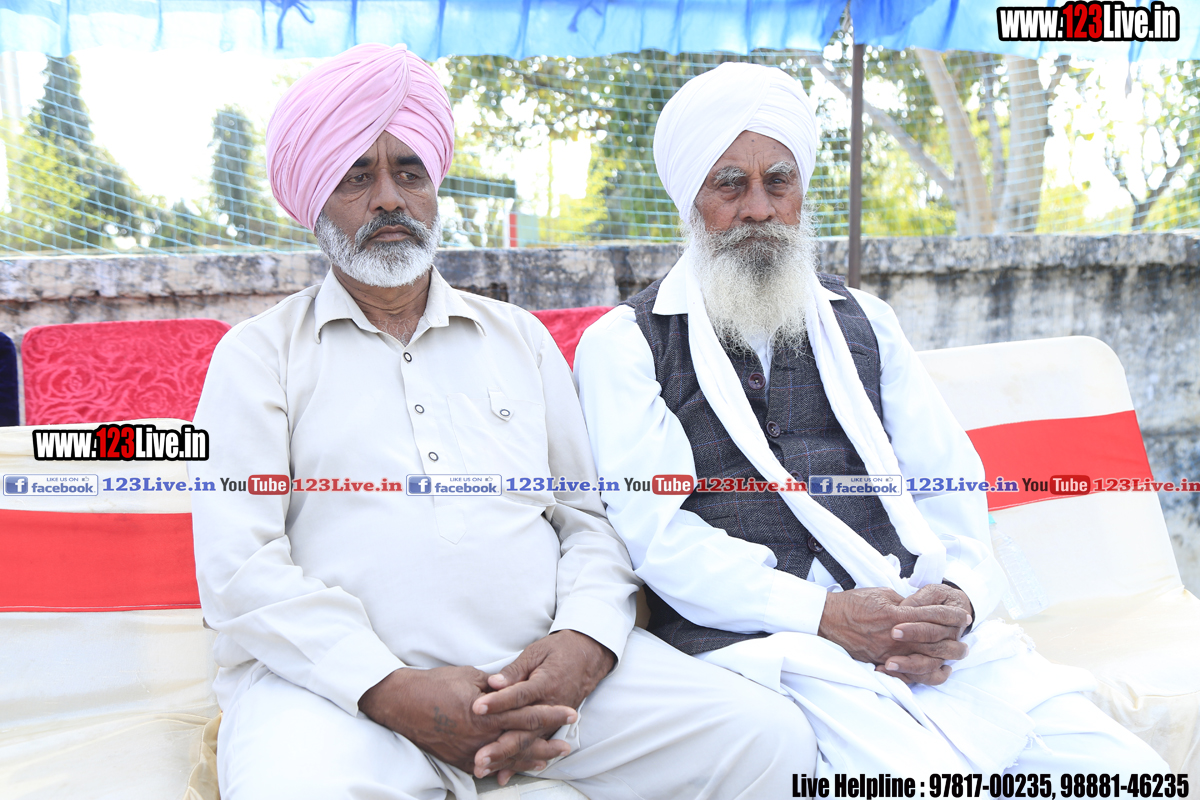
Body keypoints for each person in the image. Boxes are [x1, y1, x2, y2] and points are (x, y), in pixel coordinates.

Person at [188, 45, 818, 800]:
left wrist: (583, 643)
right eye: (357, 177)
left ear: (434, 189)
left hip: (539, 676)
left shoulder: (518, 338)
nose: (389, 199)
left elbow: (590, 521)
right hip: (339, 694)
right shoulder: (259, 356)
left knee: (765, 739)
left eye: (409, 173)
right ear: (316, 199)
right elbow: (239, 568)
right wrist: (388, 687)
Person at [572, 62, 1169, 778]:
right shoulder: (627, 344)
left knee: (1122, 770)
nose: (759, 208)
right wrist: (825, 616)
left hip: (925, 631)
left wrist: (957, 602)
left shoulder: (867, 322)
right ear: (689, 199)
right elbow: (659, 537)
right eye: (730, 185)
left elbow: (952, 485)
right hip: (772, 649)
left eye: (778, 182)